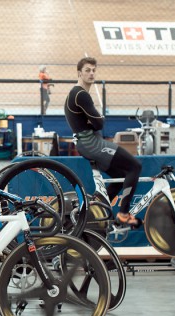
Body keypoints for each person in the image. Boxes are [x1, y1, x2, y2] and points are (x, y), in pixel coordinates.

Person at [64, 57, 142, 227]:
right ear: (79, 73)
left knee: (121, 177)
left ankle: (97, 212)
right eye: (87, 70)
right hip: (91, 143)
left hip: (89, 142)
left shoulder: (77, 93)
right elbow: (99, 123)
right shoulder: (81, 94)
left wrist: (95, 121)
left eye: (93, 70)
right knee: (135, 166)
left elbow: (96, 122)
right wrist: (97, 120)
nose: (91, 73)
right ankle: (123, 214)